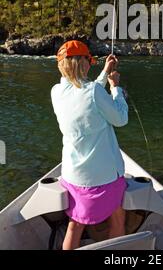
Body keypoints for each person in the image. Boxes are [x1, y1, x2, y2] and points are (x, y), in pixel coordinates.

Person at [51, 40, 128, 250]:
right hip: (102, 179)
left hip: (72, 177)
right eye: (89, 61)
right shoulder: (93, 91)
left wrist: (104, 73)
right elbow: (121, 118)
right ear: (83, 63)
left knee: (74, 225)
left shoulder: (56, 92)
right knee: (118, 217)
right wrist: (115, 88)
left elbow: (85, 93)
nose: (90, 65)